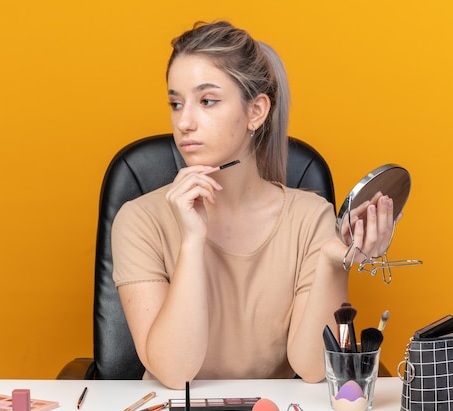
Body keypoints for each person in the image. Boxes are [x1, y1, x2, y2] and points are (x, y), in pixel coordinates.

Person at [111, 21, 396, 389]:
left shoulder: (310, 218)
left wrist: (334, 259)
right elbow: (174, 371)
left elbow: (312, 368)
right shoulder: (139, 220)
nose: (184, 122)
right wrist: (192, 240)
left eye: (207, 101)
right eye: (176, 103)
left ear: (256, 112)